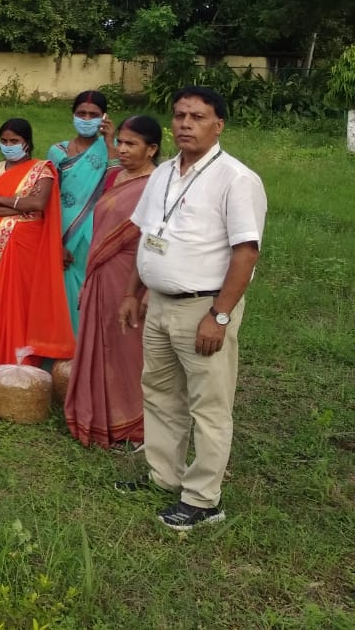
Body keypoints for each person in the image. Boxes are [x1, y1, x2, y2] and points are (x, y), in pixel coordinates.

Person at [116, 88, 266, 531]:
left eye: (197, 117)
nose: (185, 124)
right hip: (159, 303)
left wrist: (219, 316)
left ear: (218, 125)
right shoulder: (163, 172)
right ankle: (165, 475)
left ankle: (203, 500)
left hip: (203, 307)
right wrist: (132, 293)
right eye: (179, 115)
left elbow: (246, 253)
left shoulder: (236, 179)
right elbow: (148, 235)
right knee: (160, 393)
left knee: (209, 405)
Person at [65, 115, 161, 450]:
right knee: (100, 341)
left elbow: (158, 238)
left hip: (133, 275)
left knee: (128, 348)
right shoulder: (115, 176)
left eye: (131, 144)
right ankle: (98, 416)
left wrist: (147, 290)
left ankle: (135, 421)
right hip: (102, 273)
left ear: (152, 149)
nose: (122, 149)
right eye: (120, 142)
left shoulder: (157, 185)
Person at [0, 118, 75, 374]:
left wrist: (3, 200)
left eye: (14, 141)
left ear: (26, 142)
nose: (9, 145)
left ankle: (25, 364)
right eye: (4, 141)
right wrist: (20, 205)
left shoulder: (42, 169)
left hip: (28, 246)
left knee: (23, 302)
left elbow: (38, 204)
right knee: (1, 303)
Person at [49, 90, 115, 334]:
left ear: (104, 117)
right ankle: (66, 349)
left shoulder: (114, 149)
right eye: (81, 113)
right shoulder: (57, 151)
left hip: (99, 231)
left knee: (97, 292)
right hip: (64, 231)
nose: (86, 119)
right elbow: (49, 198)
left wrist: (109, 141)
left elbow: (120, 183)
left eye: (93, 115)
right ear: (73, 115)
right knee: (63, 294)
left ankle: (91, 348)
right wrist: (55, 243)